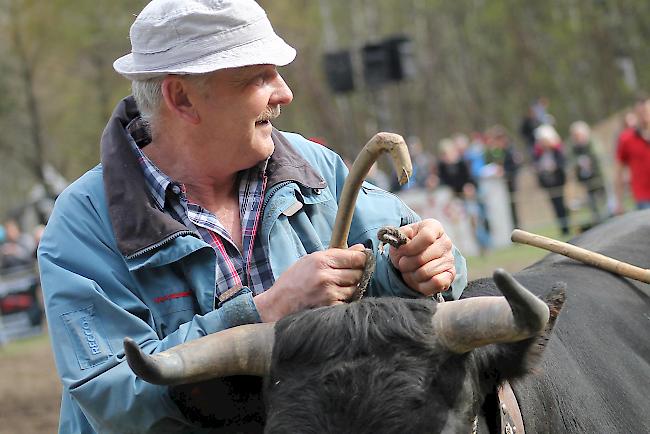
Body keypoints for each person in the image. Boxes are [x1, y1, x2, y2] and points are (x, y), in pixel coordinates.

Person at [36, 1, 468, 433]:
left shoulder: (313, 166)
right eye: (258, 77)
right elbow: (114, 392)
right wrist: (268, 311)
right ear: (182, 97)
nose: (284, 93)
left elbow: (438, 276)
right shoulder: (86, 221)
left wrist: (416, 271)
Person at [615, 95, 650, 212]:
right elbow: (619, 172)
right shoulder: (626, 139)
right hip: (643, 198)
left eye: (646, 111)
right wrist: (619, 202)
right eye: (641, 112)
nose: (644, 116)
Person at [533, 125, 570, 236]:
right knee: (555, 206)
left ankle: (566, 227)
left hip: (558, 181)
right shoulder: (539, 154)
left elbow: (562, 163)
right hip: (548, 183)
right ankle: (562, 228)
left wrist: (554, 167)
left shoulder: (556, 151)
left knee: (562, 205)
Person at [567, 121, 606, 226]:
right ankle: (599, 223)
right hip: (586, 182)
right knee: (593, 207)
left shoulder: (593, 143)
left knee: (605, 203)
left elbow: (599, 160)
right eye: (575, 136)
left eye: (578, 135)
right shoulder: (573, 148)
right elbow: (571, 162)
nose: (577, 138)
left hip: (599, 180)